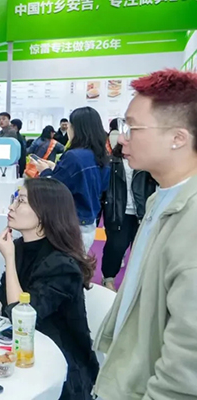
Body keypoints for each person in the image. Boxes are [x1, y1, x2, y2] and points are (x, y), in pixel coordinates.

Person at [93, 70, 197, 399]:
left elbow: (186, 369)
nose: (122, 139)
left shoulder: (191, 221)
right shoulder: (159, 200)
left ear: (178, 138)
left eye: (132, 128)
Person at [0, 179, 99, 399]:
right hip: (23, 348)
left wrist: (9, 258)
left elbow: (22, 316)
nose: (11, 207)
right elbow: (3, 299)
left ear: (44, 213)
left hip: (60, 363)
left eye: (21, 201)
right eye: (15, 199)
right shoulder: (20, 247)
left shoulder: (61, 265)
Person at [32, 107, 110, 252]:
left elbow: (55, 188)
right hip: (90, 222)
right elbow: (96, 183)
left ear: (77, 129)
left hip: (69, 223)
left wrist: (45, 171)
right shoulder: (101, 156)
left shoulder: (74, 156)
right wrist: (56, 168)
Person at [101, 143, 157, 292]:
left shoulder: (146, 163)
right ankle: (108, 278)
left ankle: (137, 282)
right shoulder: (112, 162)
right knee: (116, 247)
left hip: (142, 212)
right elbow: (104, 189)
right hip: (118, 211)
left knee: (141, 249)